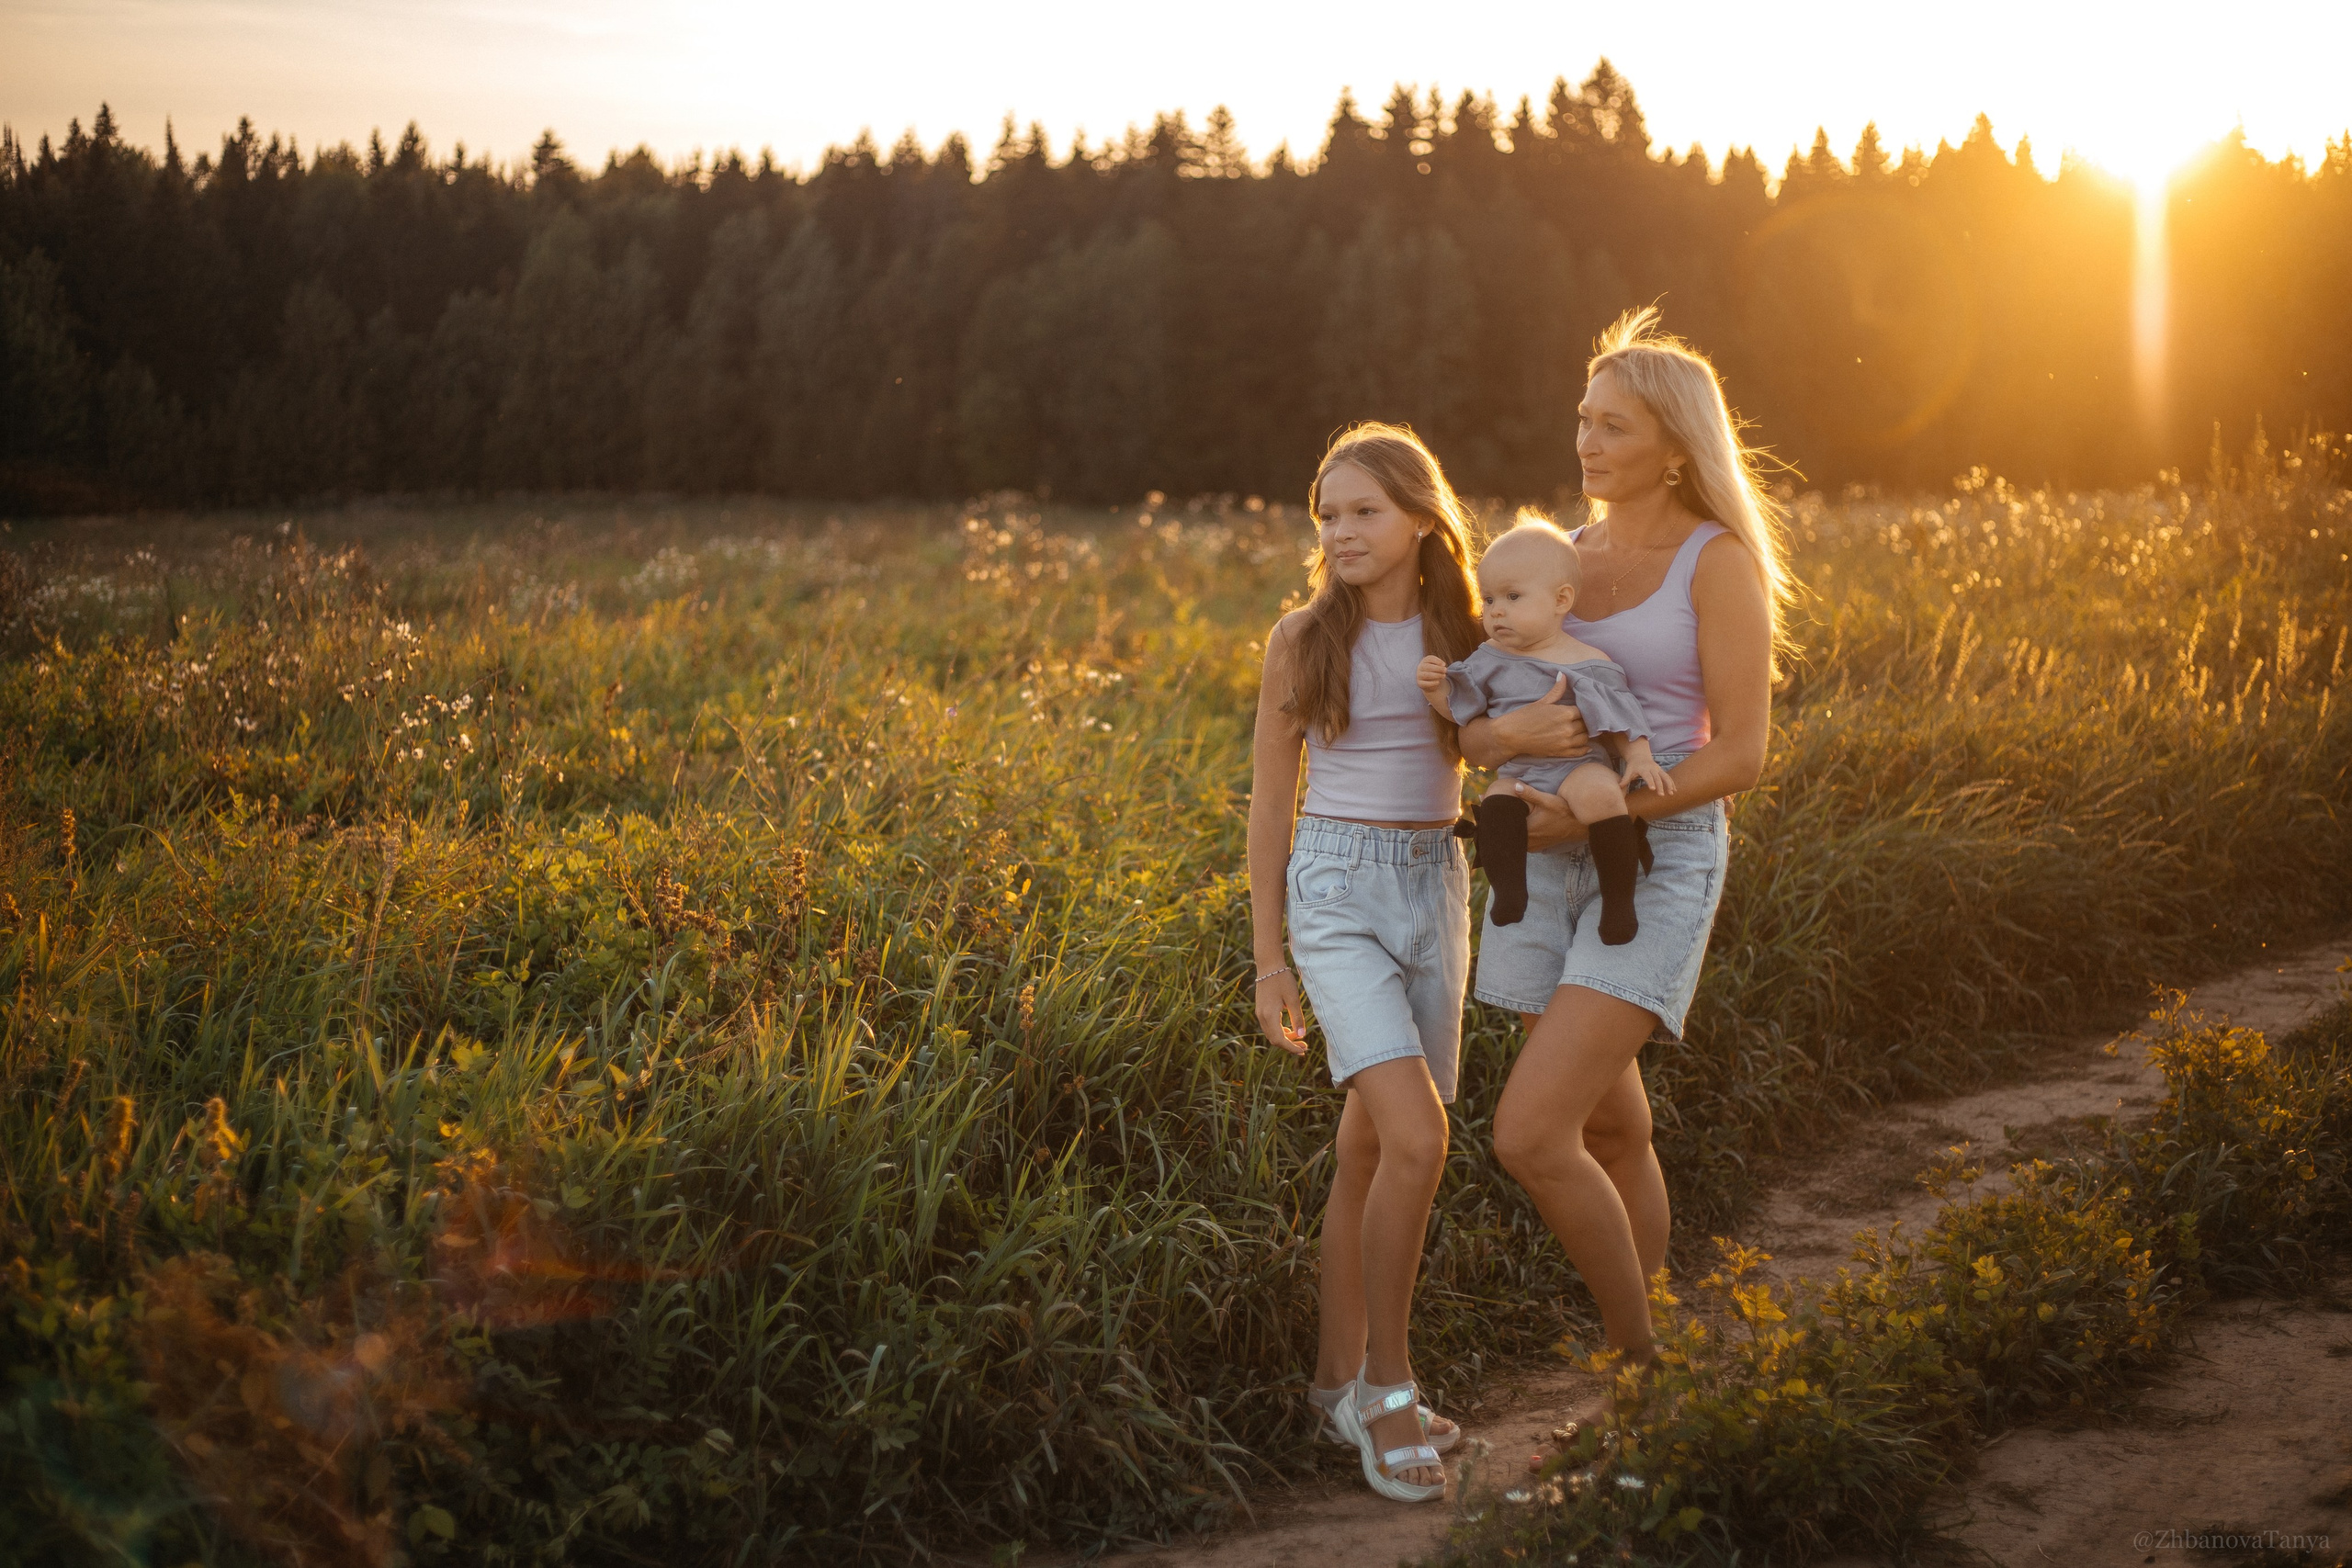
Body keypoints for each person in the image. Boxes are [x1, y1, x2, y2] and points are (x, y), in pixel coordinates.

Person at [1462, 310, 1789, 1399]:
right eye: (1582, 419)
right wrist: (1503, 752)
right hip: (1541, 853)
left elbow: (1740, 753)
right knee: (1609, 1124)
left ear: (1675, 447)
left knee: (1529, 1131)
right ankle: (1658, 1374)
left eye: (1614, 426)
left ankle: (1636, 1365)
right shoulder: (1554, 557)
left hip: (1656, 855)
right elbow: (1487, 700)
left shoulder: (1715, 561)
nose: (1587, 442)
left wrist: (1600, 819)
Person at [1246, 423, 1482, 1504]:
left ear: (1422, 518)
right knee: (1419, 1139)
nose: (1340, 532)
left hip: (1436, 885)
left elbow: (1515, 746)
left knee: (1370, 1149)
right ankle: (1388, 1389)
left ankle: (1329, 1388)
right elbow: (1269, 808)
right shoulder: (1302, 638)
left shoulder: (1466, 633)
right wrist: (1270, 961)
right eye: (1327, 515)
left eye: (1363, 512)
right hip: (1336, 893)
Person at [1414, 517, 1674, 941]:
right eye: (1488, 599)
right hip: (1521, 774)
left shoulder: (1588, 662)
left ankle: (1618, 903)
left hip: (1577, 767)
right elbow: (1461, 710)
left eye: (1513, 597)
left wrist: (1639, 756)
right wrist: (1436, 689)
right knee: (1497, 800)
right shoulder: (1488, 658)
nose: (1496, 610)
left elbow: (1620, 719)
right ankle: (1509, 892)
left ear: (1561, 599)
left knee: (1602, 792)